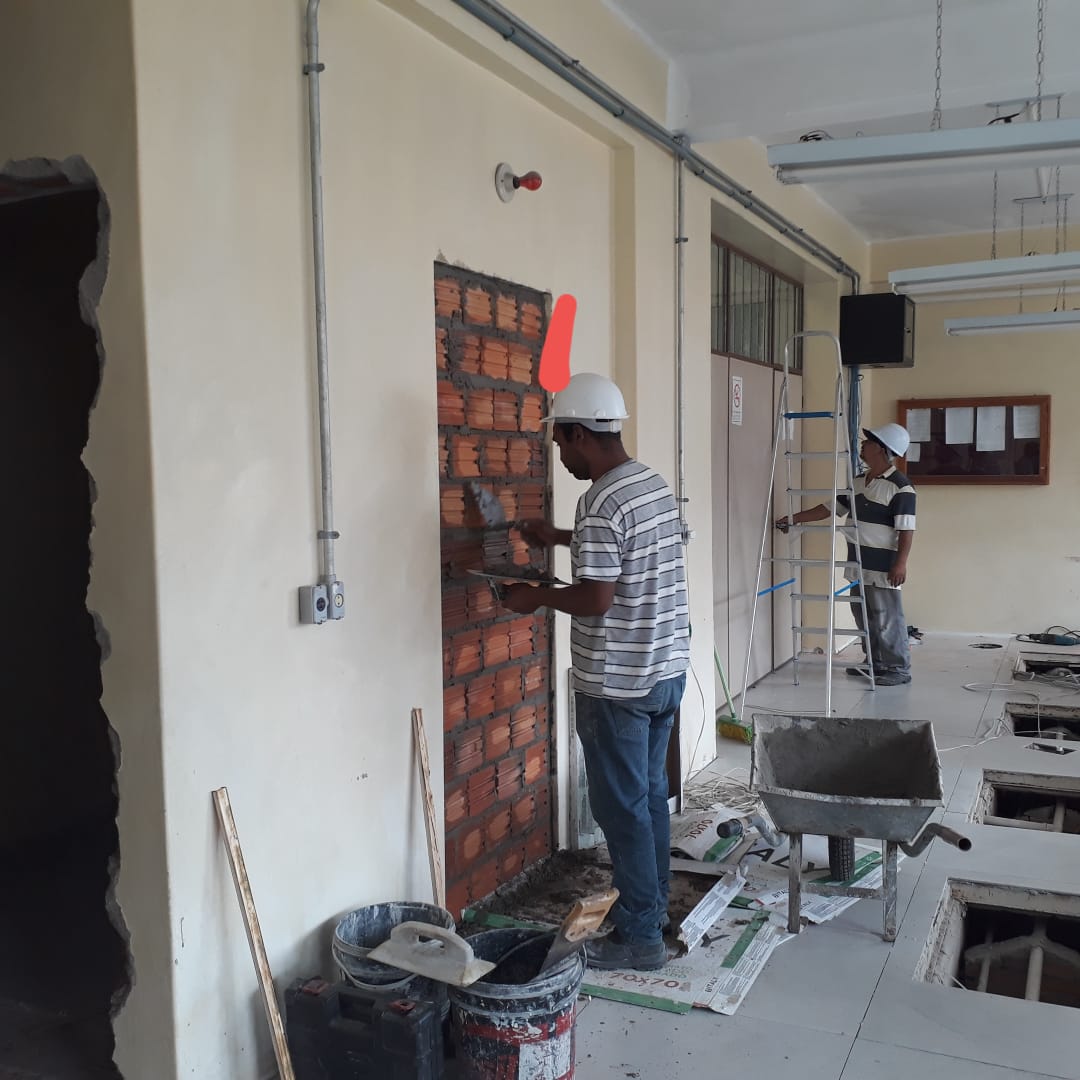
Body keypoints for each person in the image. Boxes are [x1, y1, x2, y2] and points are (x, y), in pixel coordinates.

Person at [500, 372, 690, 971]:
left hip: (618, 683)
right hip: (664, 671)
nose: (561, 455)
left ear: (581, 433)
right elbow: (628, 552)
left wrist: (534, 597)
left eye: (561, 442)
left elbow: (597, 598)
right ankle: (651, 911)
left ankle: (639, 938)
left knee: (621, 809)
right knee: (649, 798)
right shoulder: (649, 484)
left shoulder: (600, 502)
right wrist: (560, 537)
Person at [775, 423, 915, 686]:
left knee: (887, 618)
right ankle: (875, 662)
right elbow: (829, 509)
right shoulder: (859, 482)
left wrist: (901, 564)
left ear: (881, 449)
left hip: (883, 566)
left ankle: (898, 668)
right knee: (863, 615)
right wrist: (793, 519)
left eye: (868, 442)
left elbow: (906, 530)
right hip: (858, 562)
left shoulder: (901, 487)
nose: (862, 445)